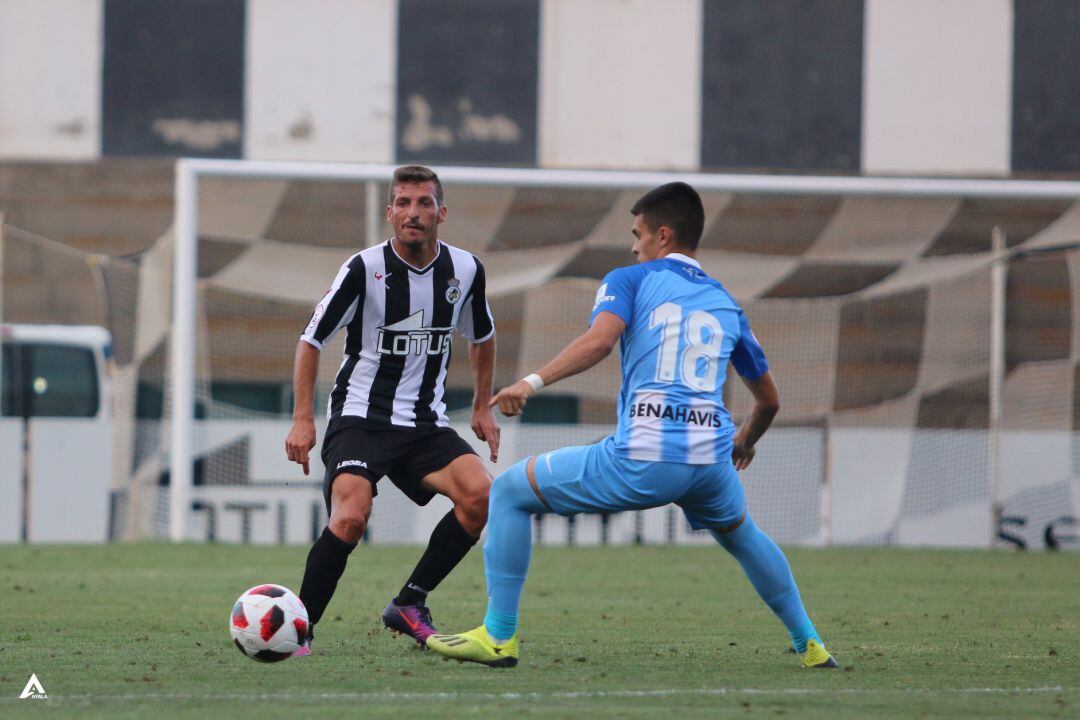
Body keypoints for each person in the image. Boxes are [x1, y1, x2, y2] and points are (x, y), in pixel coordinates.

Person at [426, 182, 836, 669]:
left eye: (638, 233)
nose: (634, 245)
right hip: (709, 458)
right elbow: (768, 401)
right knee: (743, 535)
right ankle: (811, 643)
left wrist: (530, 383)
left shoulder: (631, 279)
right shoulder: (726, 303)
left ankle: (498, 636)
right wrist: (744, 441)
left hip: (645, 456)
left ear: (663, 235)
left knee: (511, 491)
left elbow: (600, 342)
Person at [284, 165, 500, 655]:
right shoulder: (363, 269)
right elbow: (310, 339)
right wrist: (303, 417)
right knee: (351, 517)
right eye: (403, 203)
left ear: (441, 212)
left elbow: (482, 336)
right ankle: (298, 631)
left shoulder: (465, 270)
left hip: (425, 424)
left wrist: (483, 405)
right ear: (390, 213)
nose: (413, 213)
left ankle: (410, 602)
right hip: (361, 418)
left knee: (482, 496)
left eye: (424, 203)